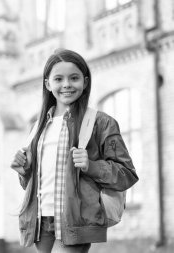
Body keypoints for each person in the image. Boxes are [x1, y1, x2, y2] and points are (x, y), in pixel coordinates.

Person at [10, 48, 138, 253]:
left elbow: (127, 175)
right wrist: (24, 171)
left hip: (76, 220)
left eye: (74, 78)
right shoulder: (38, 127)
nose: (67, 84)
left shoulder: (101, 123)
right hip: (40, 222)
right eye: (58, 78)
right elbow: (32, 185)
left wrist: (91, 166)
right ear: (47, 83)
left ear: (85, 82)